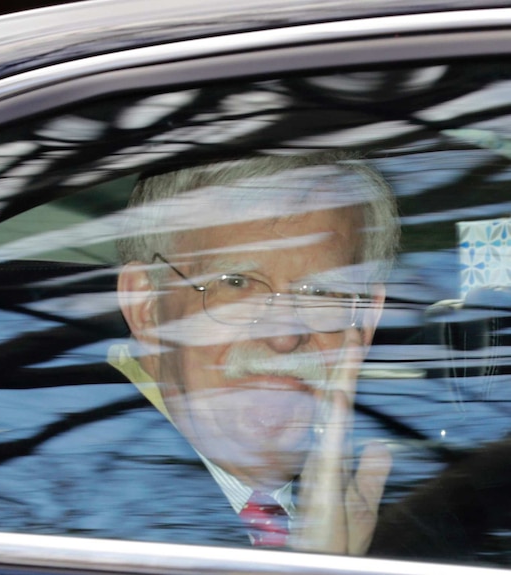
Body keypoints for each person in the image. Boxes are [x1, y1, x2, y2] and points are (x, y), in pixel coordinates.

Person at [111, 152, 399, 554]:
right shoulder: (57, 509)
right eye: (236, 282)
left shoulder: (421, 509)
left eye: (319, 293)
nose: (284, 337)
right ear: (147, 305)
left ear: (365, 323)